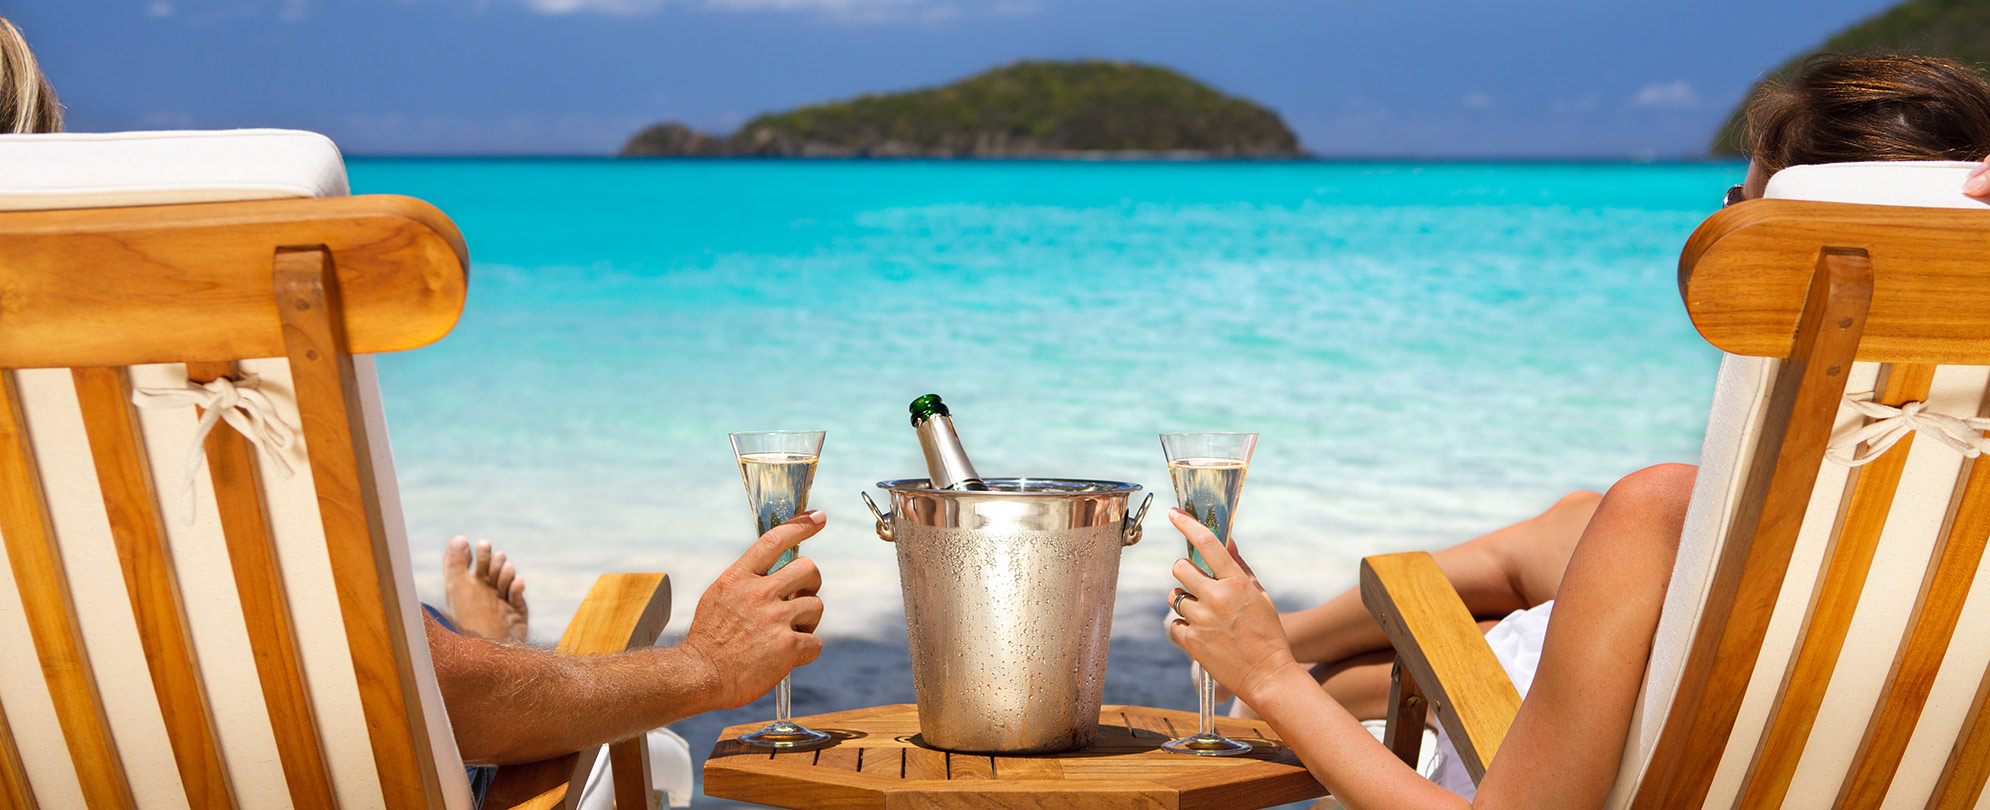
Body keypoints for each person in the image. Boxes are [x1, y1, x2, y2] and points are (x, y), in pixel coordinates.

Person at [0, 15, 827, 802]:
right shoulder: (128, 391)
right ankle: (497, 661)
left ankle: (487, 657)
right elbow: (400, 688)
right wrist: (703, 667)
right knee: (638, 747)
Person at [1167, 53, 1990, 808]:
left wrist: (1271, 676)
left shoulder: (1664, 517)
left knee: (1609, 524)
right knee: (1575, 521)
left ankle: (1276, 654)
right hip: (1825, 687)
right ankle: (1297, 643)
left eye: (1738, 206)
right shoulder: (1941, 538)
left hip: (1632, 712)